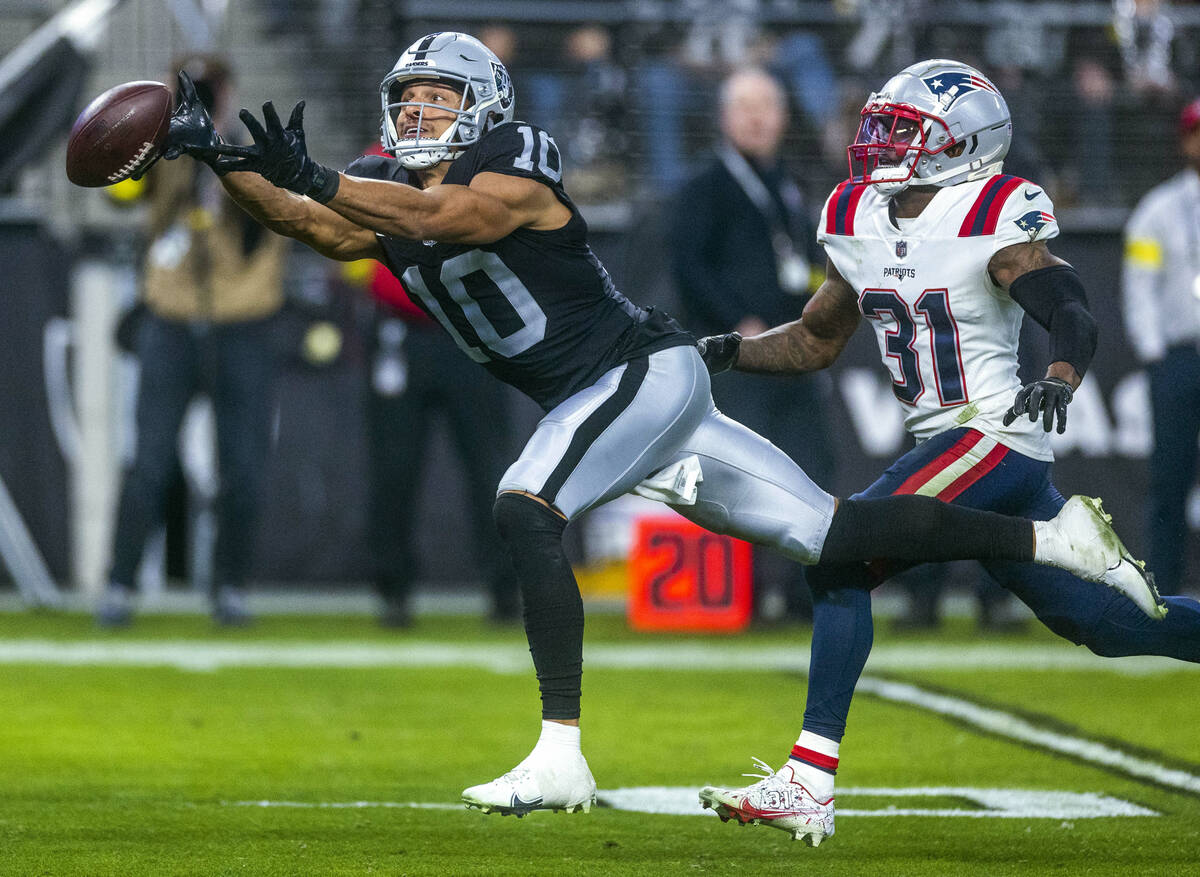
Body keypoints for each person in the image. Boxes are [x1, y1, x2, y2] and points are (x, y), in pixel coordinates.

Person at [162, 35, 1162, 822]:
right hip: (637, 385)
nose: (422, 116)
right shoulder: (383, 182)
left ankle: (562, 753)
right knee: (840, 544)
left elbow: (449, 219)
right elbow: (322, 226)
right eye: (411, 102)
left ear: (486, 110)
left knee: (525, 504)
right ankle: (1054, 538)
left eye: (441, 101)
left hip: (631, 374)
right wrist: (221, 161)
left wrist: (322, 178)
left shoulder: (511, 161)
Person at [694, 59, 1200, 846]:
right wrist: (727, 352)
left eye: (902, 131)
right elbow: (818, 338)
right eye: (881, 126)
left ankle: (808, 777)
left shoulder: (991, 211)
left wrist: (1062, 373)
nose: (878, 142)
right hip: (953, 441)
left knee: (841, 547)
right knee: (1111, 622)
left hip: (993, 432)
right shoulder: (856, 214)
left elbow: (1069, 306)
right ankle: (1080, 559)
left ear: (964, 143)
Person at [95, 55, 287, 627]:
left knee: (244, 467)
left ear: (230, 93)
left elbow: (265, 221)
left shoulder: (255, 146)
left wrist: (221, 147)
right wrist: (160, 134)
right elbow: (115, 191)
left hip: (244, 321)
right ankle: (121, 584)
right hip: (172, 322)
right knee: (149, 461)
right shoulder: (160, 154)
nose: (200, 102)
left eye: (209, 92)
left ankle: (229, 586)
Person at [670, 68, 835, 621]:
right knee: (741, 476)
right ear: (724, 116)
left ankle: (798, 594)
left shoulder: (787, 183)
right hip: (738, 361)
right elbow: (688, 266)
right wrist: (734, 322)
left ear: (784, 117)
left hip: (794, 354)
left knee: (811, 467)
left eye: (767, 104)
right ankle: (739, 596)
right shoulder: (706, 188)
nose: (757, 116)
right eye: (745, 106)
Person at [361, 257, 521, 626]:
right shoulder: (392, 196)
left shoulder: (477, 195)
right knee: (394, 469)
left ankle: (505, 588)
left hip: (472, 332)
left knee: (491, 469)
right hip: (401, 329)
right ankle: (392, 588)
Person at [1122, 96, 1200, 598]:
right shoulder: (1160, 209)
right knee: (1170, 479)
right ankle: (1164, 594)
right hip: (1181, 355)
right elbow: (1139, 284)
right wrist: (1154, 353)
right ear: (1184, 140)